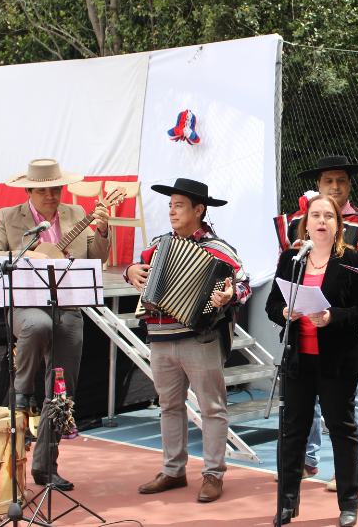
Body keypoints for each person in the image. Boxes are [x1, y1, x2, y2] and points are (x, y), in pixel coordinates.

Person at [0, 158, 111, 491]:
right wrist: (26, 257)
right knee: (38, 325)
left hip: (67, 305)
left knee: (62, 389)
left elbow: (97, 257)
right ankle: (22, 393)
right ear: (28, 191)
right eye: (43, 191)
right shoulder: (7, 217)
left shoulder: (76, 213)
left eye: (56, 189)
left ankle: (45, 466)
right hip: (26, 305)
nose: (51, 196)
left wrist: (102, 230)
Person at [126, 178, 250, 503]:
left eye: (178, 205)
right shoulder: (157, 245)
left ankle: (213, 474)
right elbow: (137, 270)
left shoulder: (220, 250)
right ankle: (173, 470)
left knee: (212, 407)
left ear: (199, 210)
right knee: (169, 406)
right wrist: (130, 271)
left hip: (201, 338)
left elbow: (244, 284)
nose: (171, 211)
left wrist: (230, 294)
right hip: (160, 338)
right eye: (170, 205)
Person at [273, 155, 358, 489]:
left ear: (349, 185)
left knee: (345, 408)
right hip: (302, 329)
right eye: (328, 181)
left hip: (340, 330)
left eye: (341, 180)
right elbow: (286, 268)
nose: (335, 186)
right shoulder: (300, 220)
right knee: (300, 407)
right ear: (319, 185)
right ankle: (306, 461)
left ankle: (345, 470)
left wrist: (345, 310)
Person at [266, 194, 358, 527]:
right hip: (298, 361)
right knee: (293, 431)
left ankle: (349, 504)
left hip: (337, 363)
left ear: (338, 224)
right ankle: (286, 504)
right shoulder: (292, 258)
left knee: (342, 431)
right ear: (306, 222)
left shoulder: (353, 259)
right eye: (315, 215)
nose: (322, 221)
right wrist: (284, 312)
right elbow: (272, 305)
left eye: (329, 215)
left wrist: (331, 317)